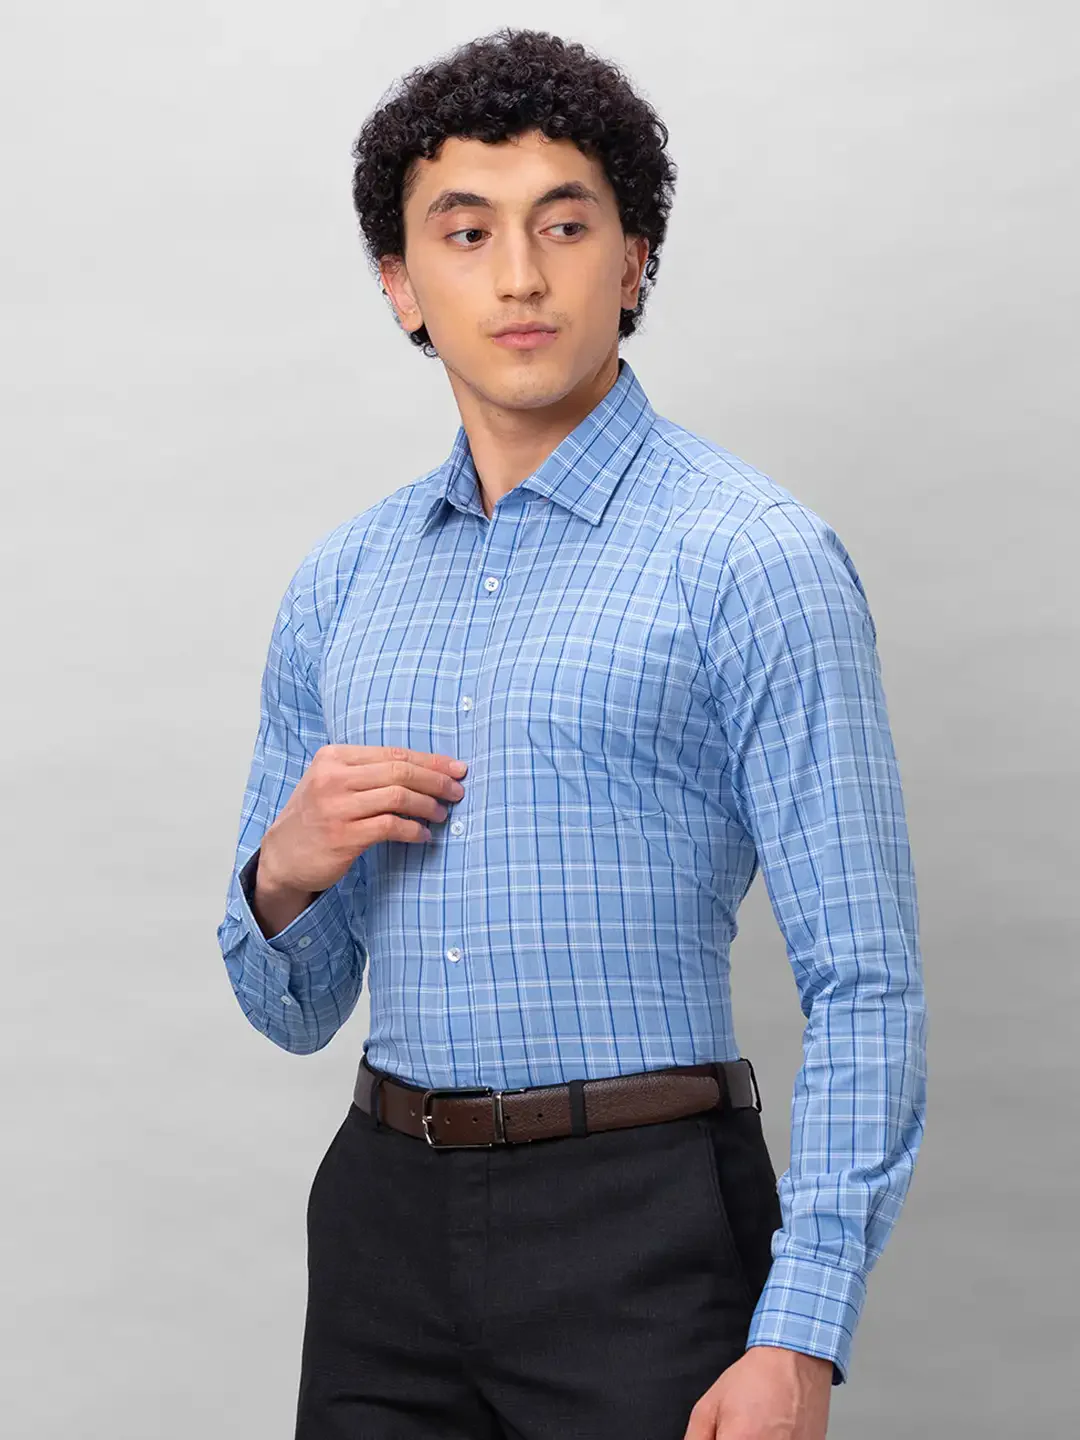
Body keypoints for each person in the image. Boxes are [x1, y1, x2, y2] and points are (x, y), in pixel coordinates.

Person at [216, 26, 927, 1440]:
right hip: (381, 1227)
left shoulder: (753, 560)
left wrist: (803, 1334)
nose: (520, 277)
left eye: (564, 225)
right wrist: (282, 876)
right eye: (466, 233)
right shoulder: (340, 587)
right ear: (401, 286)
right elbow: (290, 1010)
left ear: (634, 261)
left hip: (644, 1227)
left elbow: (867, 980)